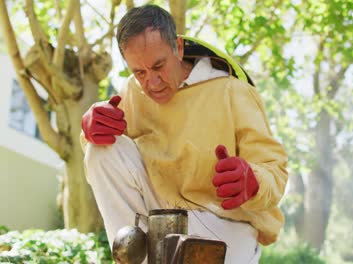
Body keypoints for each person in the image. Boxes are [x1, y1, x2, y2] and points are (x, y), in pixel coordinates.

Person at [80, 4, 288, 264]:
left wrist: (252, 181)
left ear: (178, 48)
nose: (152, 83)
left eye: (159, 66)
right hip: (162, 219)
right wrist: (91, 128)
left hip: (222, 224)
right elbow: (105, 165)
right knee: (101, 149)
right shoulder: (133, 92)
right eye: (140, 72)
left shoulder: (232, 91)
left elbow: (275, 172)